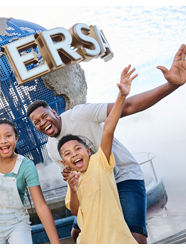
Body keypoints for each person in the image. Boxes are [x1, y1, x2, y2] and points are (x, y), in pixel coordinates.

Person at [26, 41, 186, 244]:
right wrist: (69, 177)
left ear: (54, 112)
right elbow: (75, 179)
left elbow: (126, 107)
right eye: (36, 122)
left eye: (44, 116)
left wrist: (172, 85)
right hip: (97, 186)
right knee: (77, 234)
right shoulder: (52, 149)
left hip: (123, 177)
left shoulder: (81, 114)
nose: (43, 122)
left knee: (135, 238)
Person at [58, 67, 137, 243]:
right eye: (68, 154)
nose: (74, 154)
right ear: (65, 163)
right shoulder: (72, 181)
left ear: (88, 151)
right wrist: (73, 189)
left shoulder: (100, 162)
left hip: (118, 240)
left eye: (78, 149)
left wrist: (122, 96)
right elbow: (75, 211)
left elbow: (108, 128)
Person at [0, 119, 60, 244]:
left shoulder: (26, 166)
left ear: (16, 138)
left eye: (8, 136)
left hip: (18, 224)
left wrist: (56, 244)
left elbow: (41, 206)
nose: (3, 141)